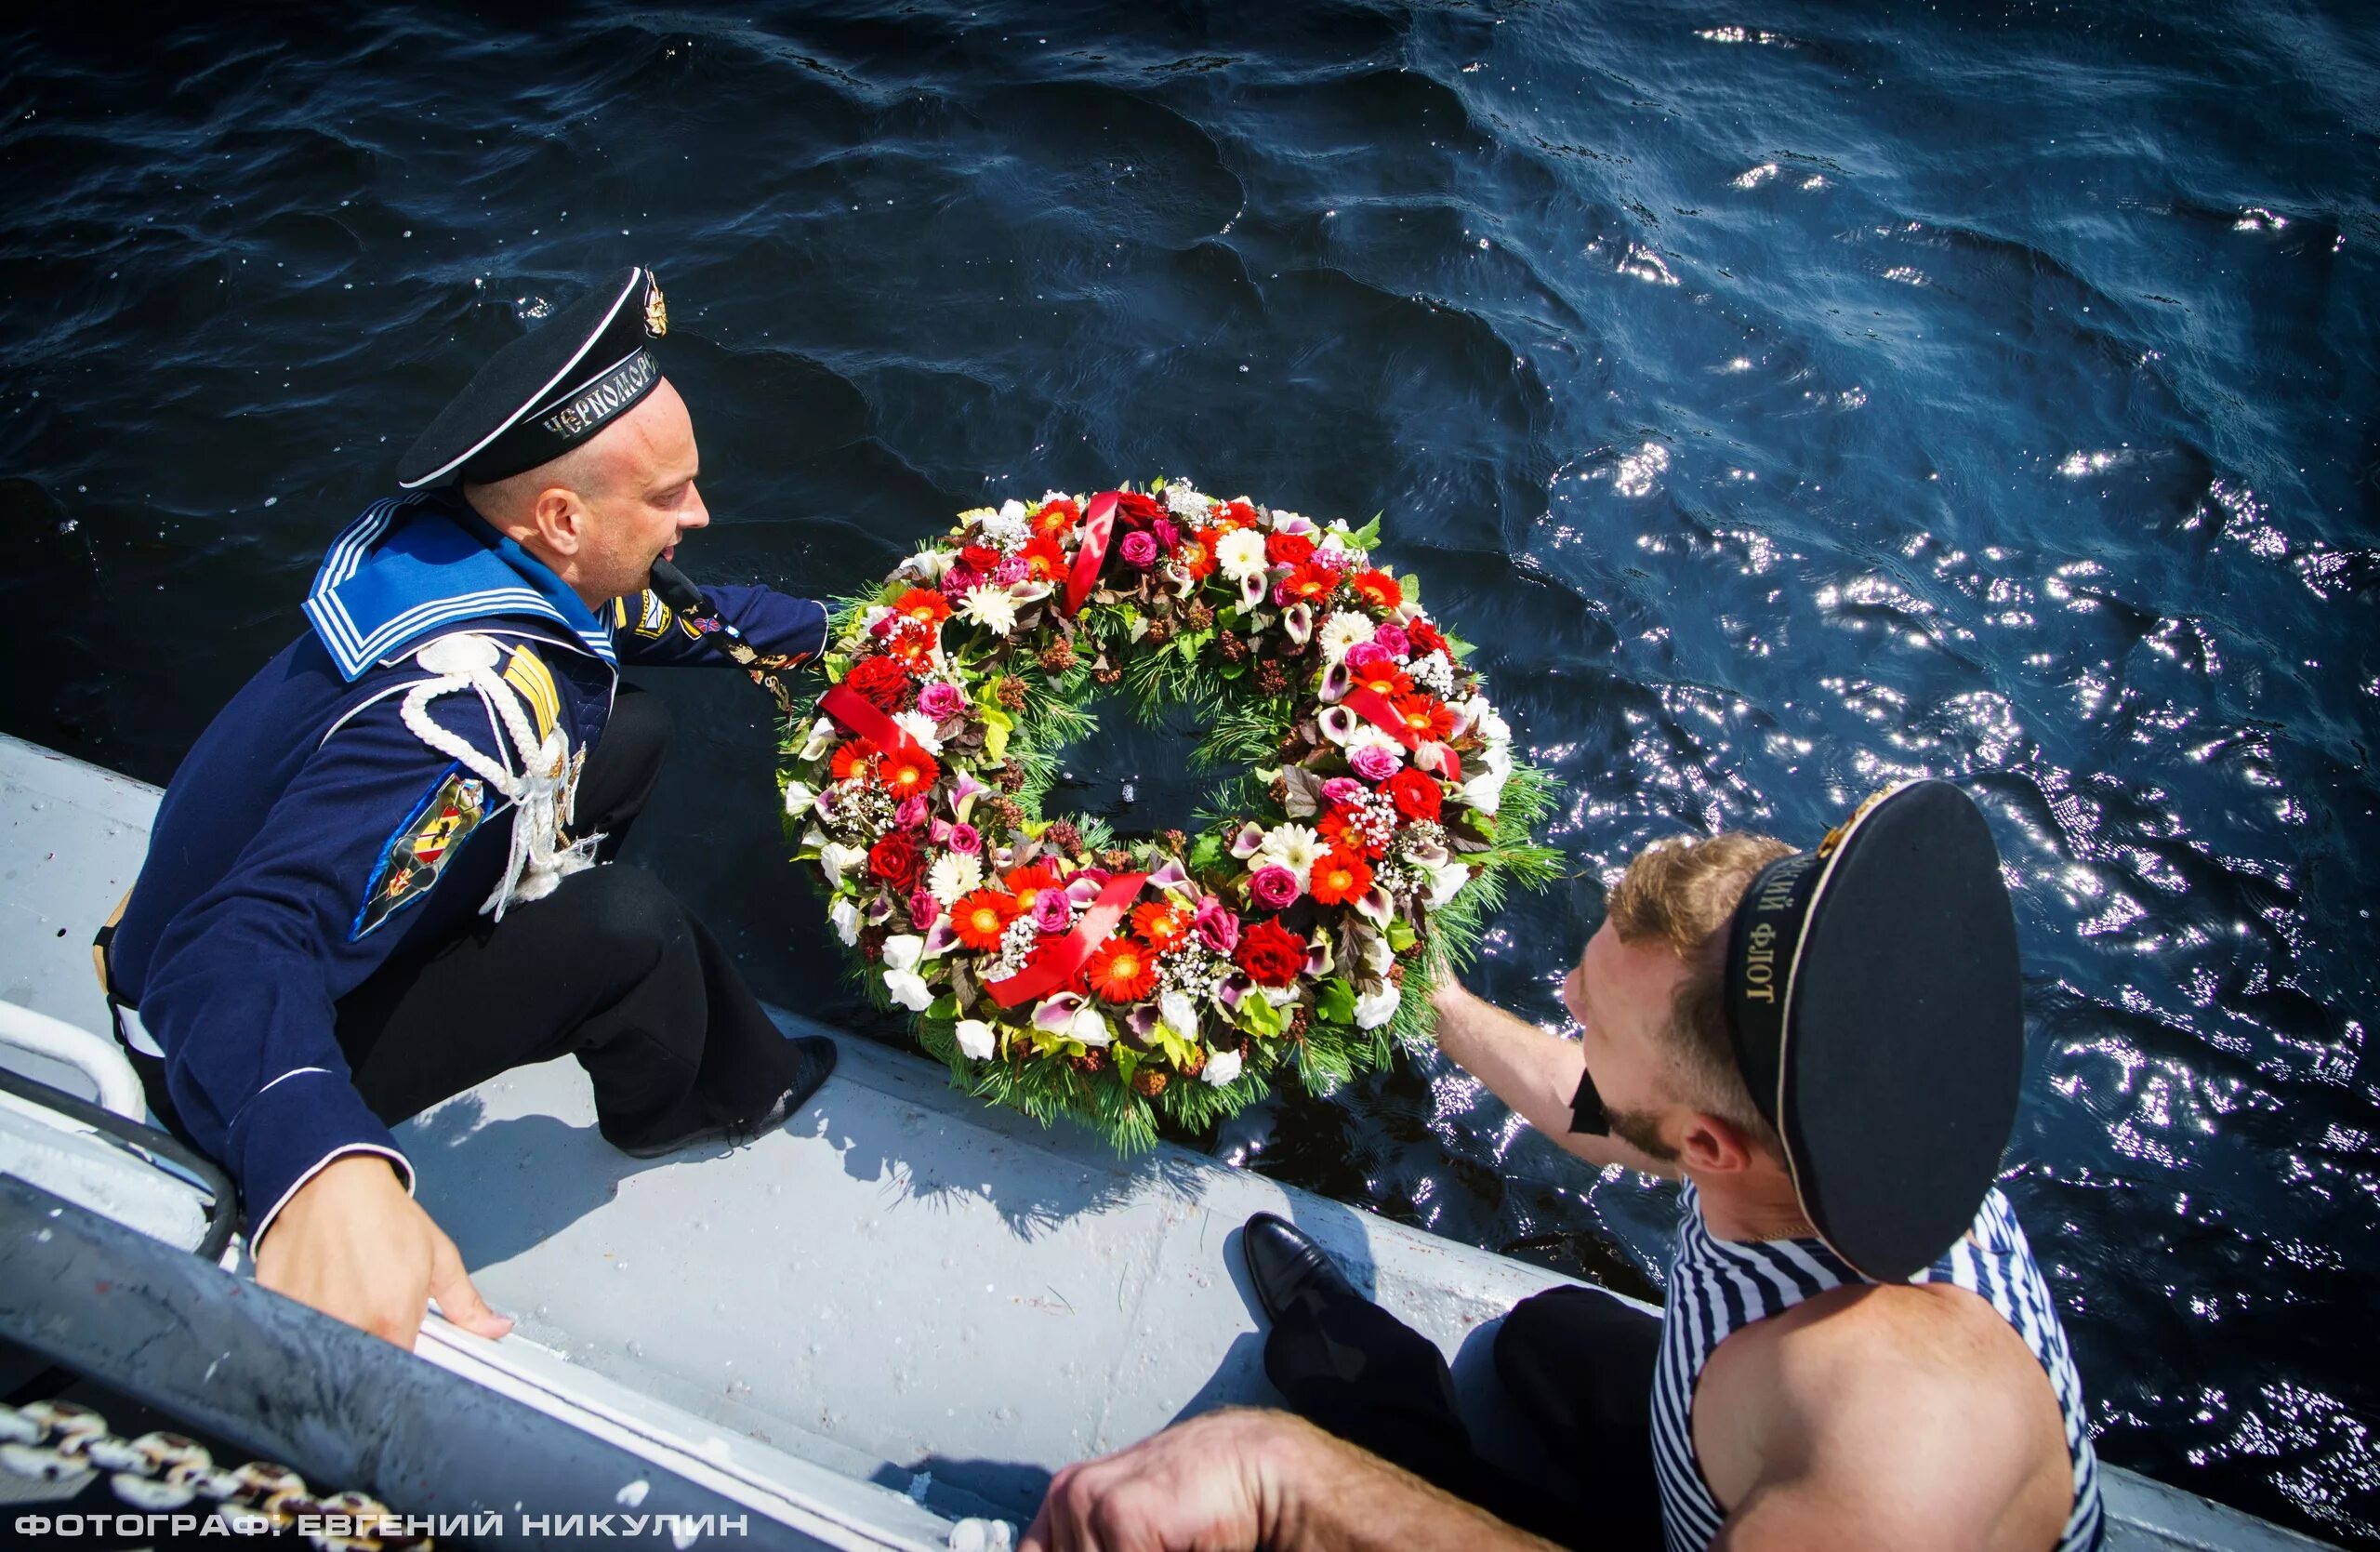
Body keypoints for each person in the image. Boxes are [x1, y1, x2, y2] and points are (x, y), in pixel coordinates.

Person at [1024, 781, 2105, 1552]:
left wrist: (1287, 1488)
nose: (1567, 1001)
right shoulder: (1848, 1112)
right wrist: (1426, 992)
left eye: (1591, 1015)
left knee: (1358, 1428)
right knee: (1540, 1340)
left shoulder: (1900, 1423)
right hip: (1710, 1428)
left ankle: (1387, 1418)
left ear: (1708, 1149)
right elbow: (1619, 1111)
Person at [97, 266, 838, 1351]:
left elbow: (677, 621)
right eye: (669, 496)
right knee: (631, 930)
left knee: (630, 733)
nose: (700, 514)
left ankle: (508, 944)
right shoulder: (458, 711)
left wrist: (856, 631)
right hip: (213, 1047)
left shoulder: (477, 551)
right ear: (562, 516)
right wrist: (317, 1158)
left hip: (195, 935)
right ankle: (694, 1101)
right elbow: (233, 946)